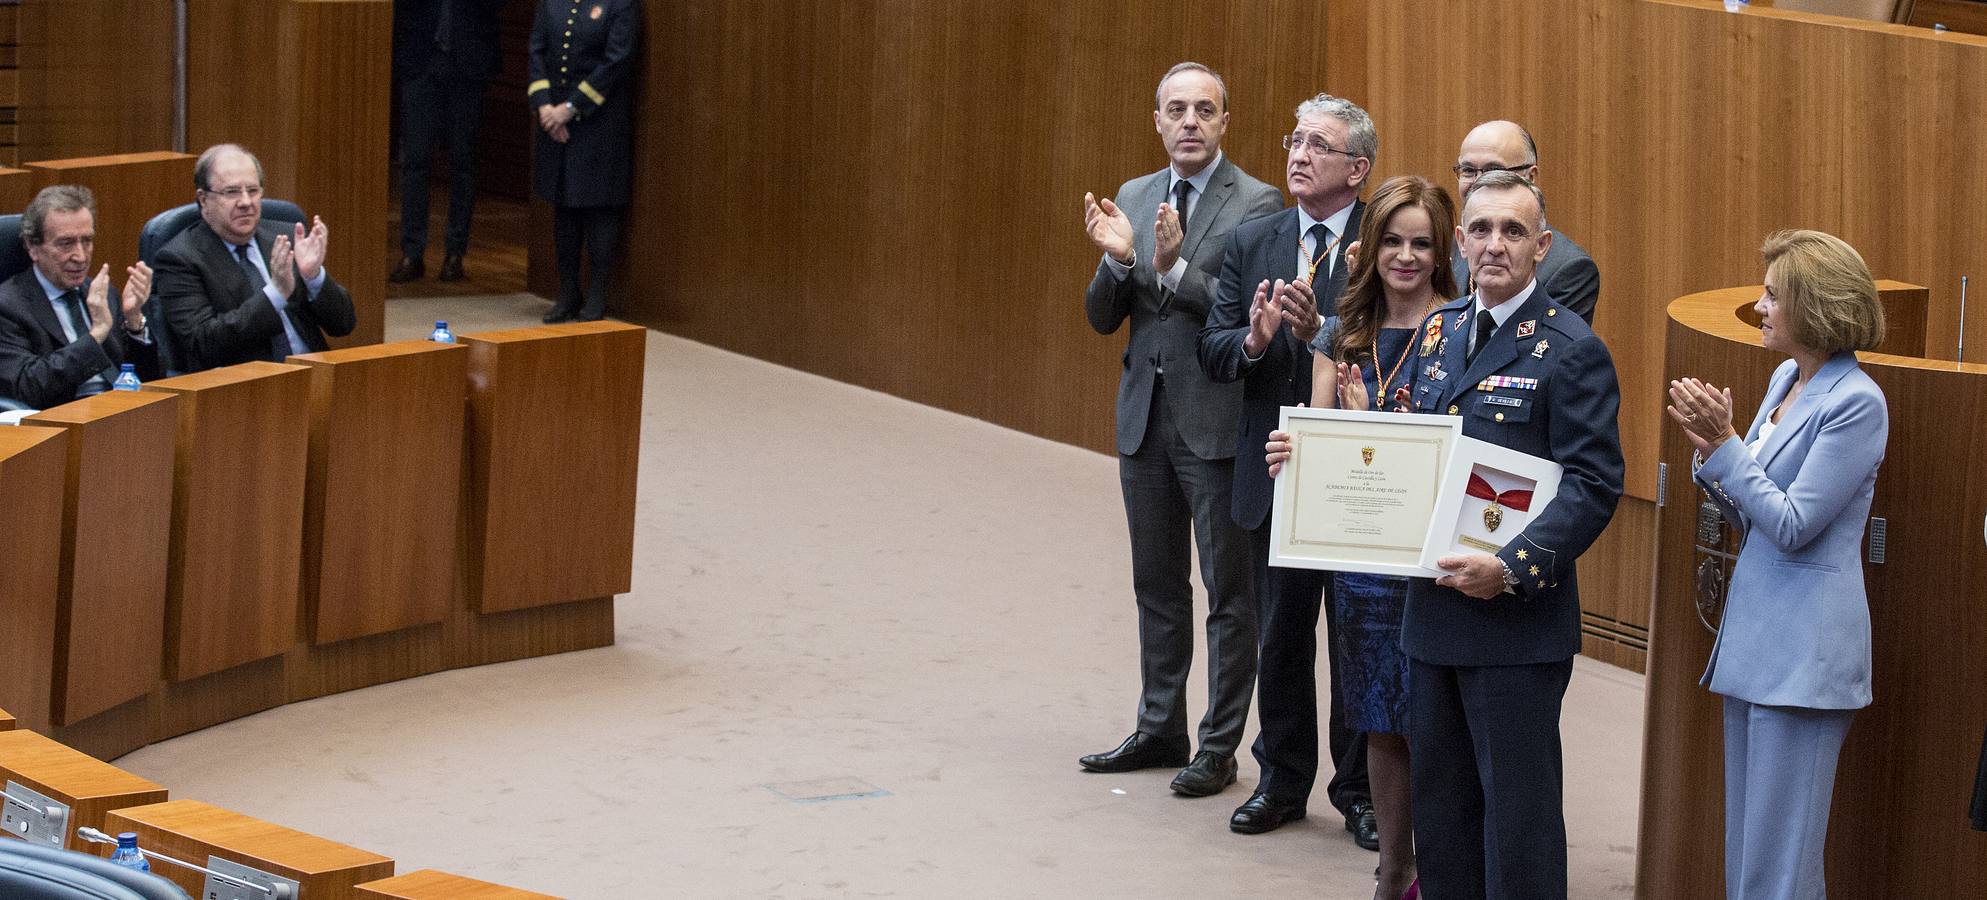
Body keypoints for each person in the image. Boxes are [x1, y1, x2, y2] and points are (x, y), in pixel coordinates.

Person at [1398, 170, 1623, 899]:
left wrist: (1512, 566)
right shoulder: (1438, 329)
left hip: (1512, 626)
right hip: (1431, 615)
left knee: (1516, 825)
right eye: (1481, 229)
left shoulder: (1570, 348)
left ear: (1541, 246)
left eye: (1513, 231)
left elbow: (1593, 483)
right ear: (1458, 241)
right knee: (1442, 817)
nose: (1494, 245)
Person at [1076, 62, 1282, 796]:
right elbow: (1104, 316)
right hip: (1144, 419)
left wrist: (1167, 269)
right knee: (1155, 584)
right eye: (1176, 110)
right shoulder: (1133, 193)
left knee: (1230, 594)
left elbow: (1239, 313)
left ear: (1225, 122)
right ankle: (1159, 726)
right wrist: (1121, 260)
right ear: (1157, 121)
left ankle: (1217, 746)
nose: (1189, 121)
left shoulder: (1258, 204)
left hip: (1217, 422)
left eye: (1204, 109)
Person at [1667, 229, 1889, 900]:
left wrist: (1727, 445)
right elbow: (1751, 519)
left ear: (1814, 307)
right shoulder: (1785, 377)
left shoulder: (1856, 402)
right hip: (1755, 642)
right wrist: (1712, 456)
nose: (1759, 308)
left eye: (1770, 296)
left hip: (1806, 655)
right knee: (1749, 855)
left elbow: (1793, 526)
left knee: (1781, 865)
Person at [1263, 174, 1458, 900]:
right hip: (1363, 556)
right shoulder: (1343, 329)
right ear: (1369, 248)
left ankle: (1442, 871)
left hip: (1434, 557)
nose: (1404, 257)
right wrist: (1293, 450)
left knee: (1433, 721)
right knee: (1377, 718)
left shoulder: (1461, 327)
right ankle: (1392, 872)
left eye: (1421, 244)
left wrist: (1381, 424)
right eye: (1392, 242)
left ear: (1441, 253)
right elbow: (1315, 435)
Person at [1198, 92, 1377, 845]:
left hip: (1361, 474)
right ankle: (1279, 780)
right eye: (1294, 139)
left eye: (1318, 145)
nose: (1298, 155)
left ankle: (1362, 790)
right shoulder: (1253, 240)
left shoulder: (1385, 240)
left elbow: (1415, 338)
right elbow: (1213, 347)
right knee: (1283, 636)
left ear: (1357, 170)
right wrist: (1252, 339)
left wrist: (1326, 335)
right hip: (1275, 469)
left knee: (1357, 638)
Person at [154, 144, 356, 373]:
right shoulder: (180, 258)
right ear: (203, 199)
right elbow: (203, 342)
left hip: (314, 376)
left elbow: (343, 325)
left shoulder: (287, 237)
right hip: (245, 389)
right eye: (231, 192)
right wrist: (276, 294)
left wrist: (314, 277)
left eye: (252, 190)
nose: (245, 202)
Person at [528, 0, 642, 323]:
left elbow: (617, 61)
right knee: (563, 206)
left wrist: (571, 107)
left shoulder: (621, 3)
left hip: (599, 121)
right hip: (555, 122)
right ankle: (567, 292)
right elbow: (537, 50)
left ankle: (597, 293)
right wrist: (545, 106)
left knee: (598, 208)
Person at [0, 185, 158, 408]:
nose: (81, 256)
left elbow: (148, 378)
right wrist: (95, 336)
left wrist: (134, 323)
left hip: (117, 415)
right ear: (32, 247)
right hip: (61, 424)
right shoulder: (8, 307)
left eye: (87, 240)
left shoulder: (98, 292)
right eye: (66, 243)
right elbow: (28, 388)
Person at [389, 0, 503, 284]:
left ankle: (455, 253)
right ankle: (412, 253)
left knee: (463, 163)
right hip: (420, 60)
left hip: (467, 63)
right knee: (415, 161)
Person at [1447, 121, 1599, 324]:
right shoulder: (1449, 248)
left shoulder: (1568, 268)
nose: (1478, 182)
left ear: (1530, 176)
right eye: (1467, 170)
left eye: (1494, 170)